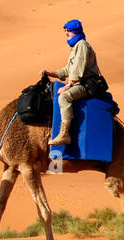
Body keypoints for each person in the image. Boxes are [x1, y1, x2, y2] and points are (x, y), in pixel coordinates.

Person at [41, 18, 102, 146]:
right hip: (79, 83)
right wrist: (49, 73)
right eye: (65, 31)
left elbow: (77, 70)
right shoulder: (76, 47)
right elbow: (68, 70)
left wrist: (69, 85)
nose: (66, 33)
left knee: (64, 97)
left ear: (75, 31)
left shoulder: (82, 46)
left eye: (68, 30)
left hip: (86, 85)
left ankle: (65, 134)